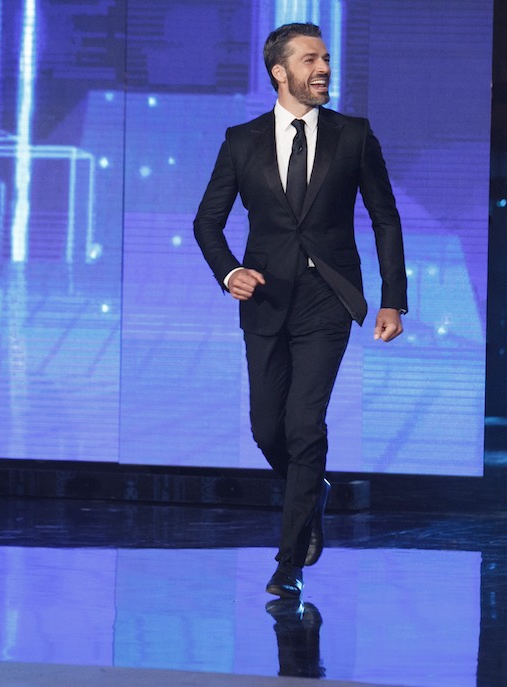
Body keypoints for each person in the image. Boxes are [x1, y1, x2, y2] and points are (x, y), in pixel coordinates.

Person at [194, 22, 407, 598]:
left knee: (304, 425)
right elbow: (206, 222)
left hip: (327, 298)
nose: (324, 69)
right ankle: (312, 493)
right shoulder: (241, 141)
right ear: (279, 72)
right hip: (265, 297)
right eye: (311, 59)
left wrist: (392, 298)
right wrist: (230, 272)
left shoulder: (353, 135)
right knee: (268, 429)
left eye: (326, 58)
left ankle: (288, 562)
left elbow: (385, 219)